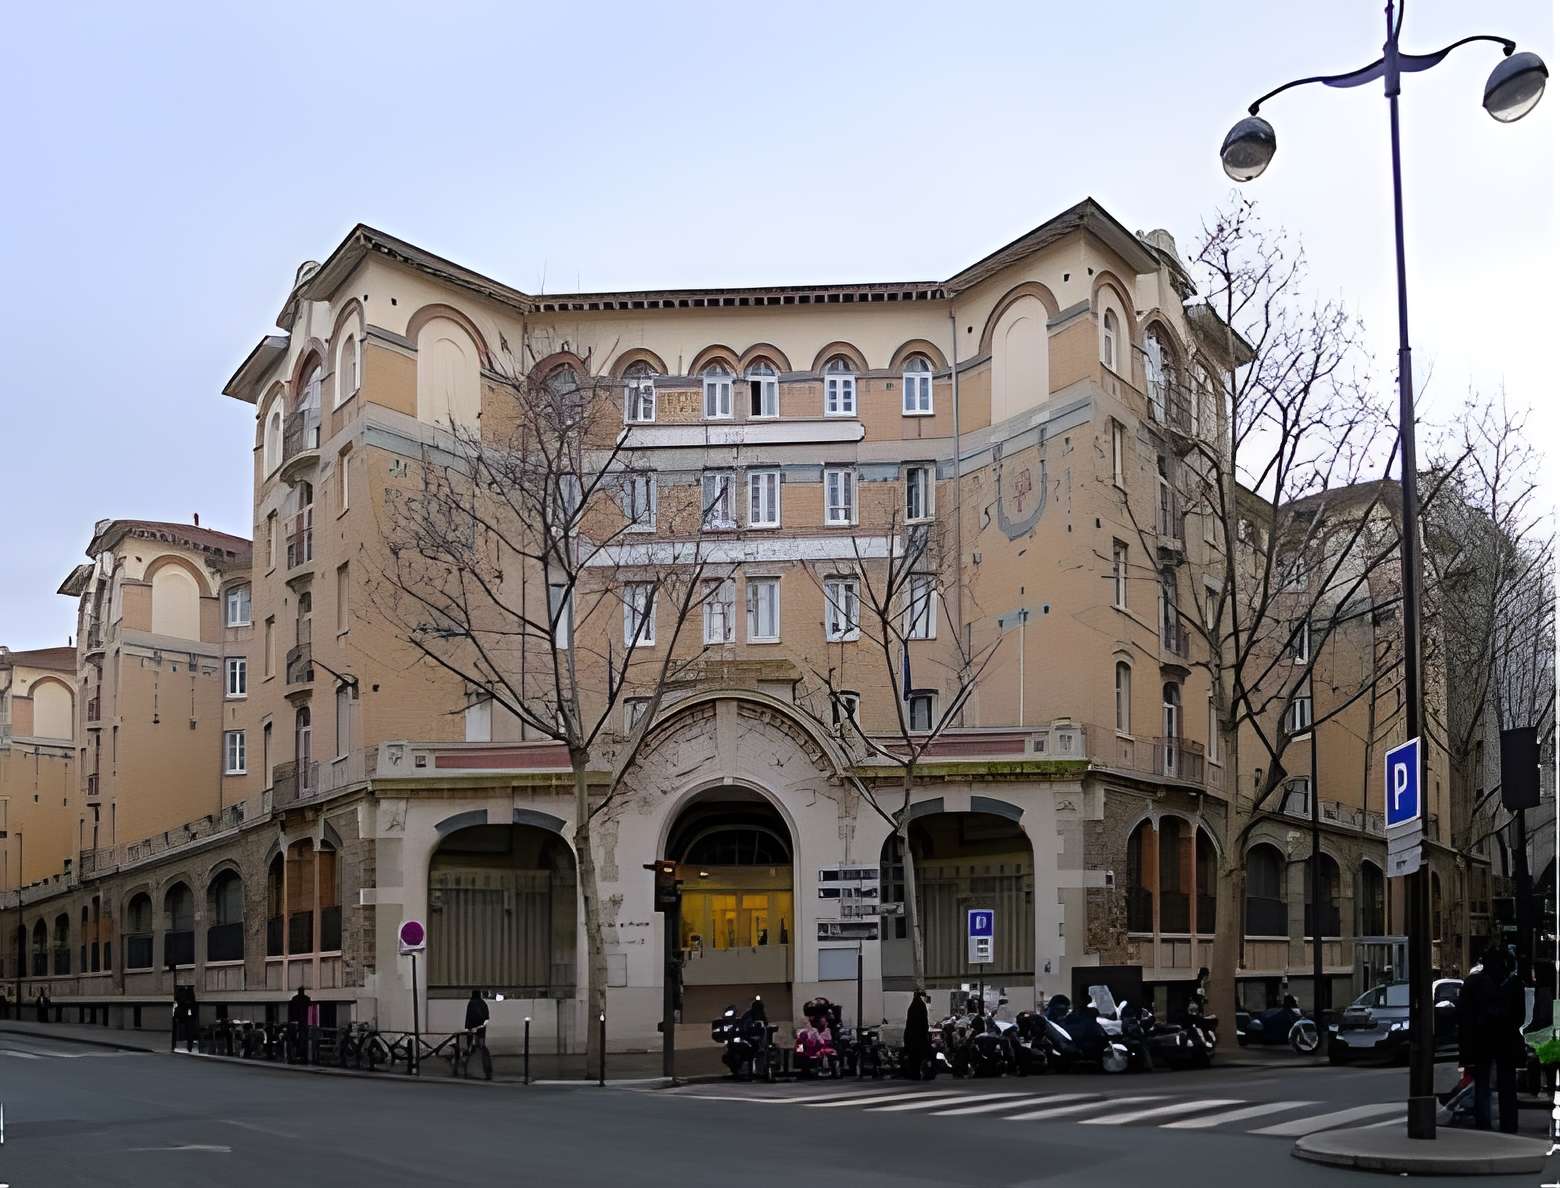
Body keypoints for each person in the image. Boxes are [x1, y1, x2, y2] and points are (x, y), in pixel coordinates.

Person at [1459, 945, 1518, 1132]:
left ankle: (1484, 1124)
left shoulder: (1472, 983)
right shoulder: (1514, 984)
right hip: (1504, 1039)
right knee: (1506, 1085)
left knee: (1483, 1084)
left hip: (1482, 1039)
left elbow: (1463, 1016)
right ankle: (1508, 1124)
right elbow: (1519, 1016)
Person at [903, 989, 930, 1079]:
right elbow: (924, 1023)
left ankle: (914, 1074)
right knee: (919, 1057)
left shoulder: (912, 1007)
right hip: (920, 1038)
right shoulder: (922, 1006)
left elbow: (909, 1023)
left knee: (913, 1058)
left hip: (912, 1038)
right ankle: (918, 1073)